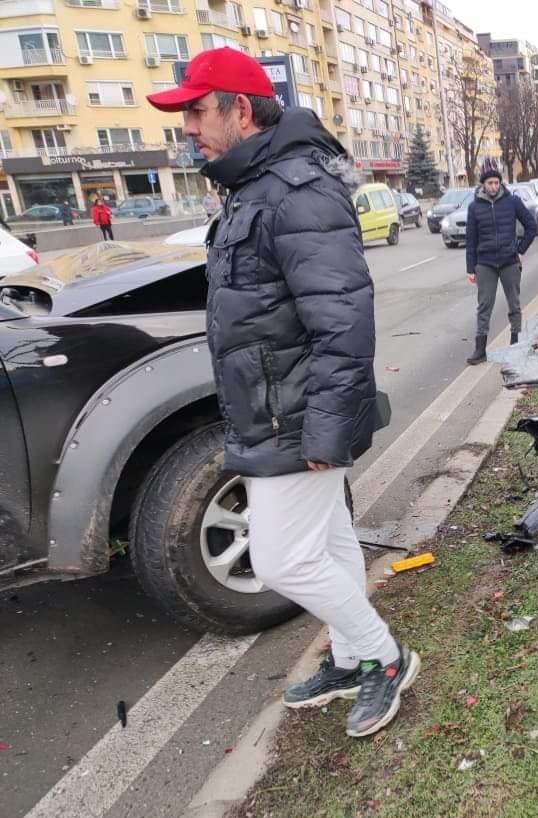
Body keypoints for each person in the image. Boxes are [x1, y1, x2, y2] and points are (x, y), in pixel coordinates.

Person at [148, 47, 418, 739]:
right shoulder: (257, 186)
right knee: (326, 545)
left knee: (281, 560)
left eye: (197, 111)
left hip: (295, 415)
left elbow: (343, 319)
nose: (187, 127)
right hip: (277, 406)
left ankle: (385, 657)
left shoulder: (294, 191)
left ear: (243, 109)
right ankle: (354, 655)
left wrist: (326, 430)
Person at [463, 162, 538, 365]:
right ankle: (480, 350)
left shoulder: (512, 202)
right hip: (485, 263)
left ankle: (515, 344)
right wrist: (471, 268)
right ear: (483, 185)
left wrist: (520, 250)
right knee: (484, 306)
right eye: (490, 183)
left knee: (514, 304)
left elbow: (532, 226)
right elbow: (471, 240)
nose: (494, 186)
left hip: (509, 261)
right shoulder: (474, 207)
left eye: (496, 182)